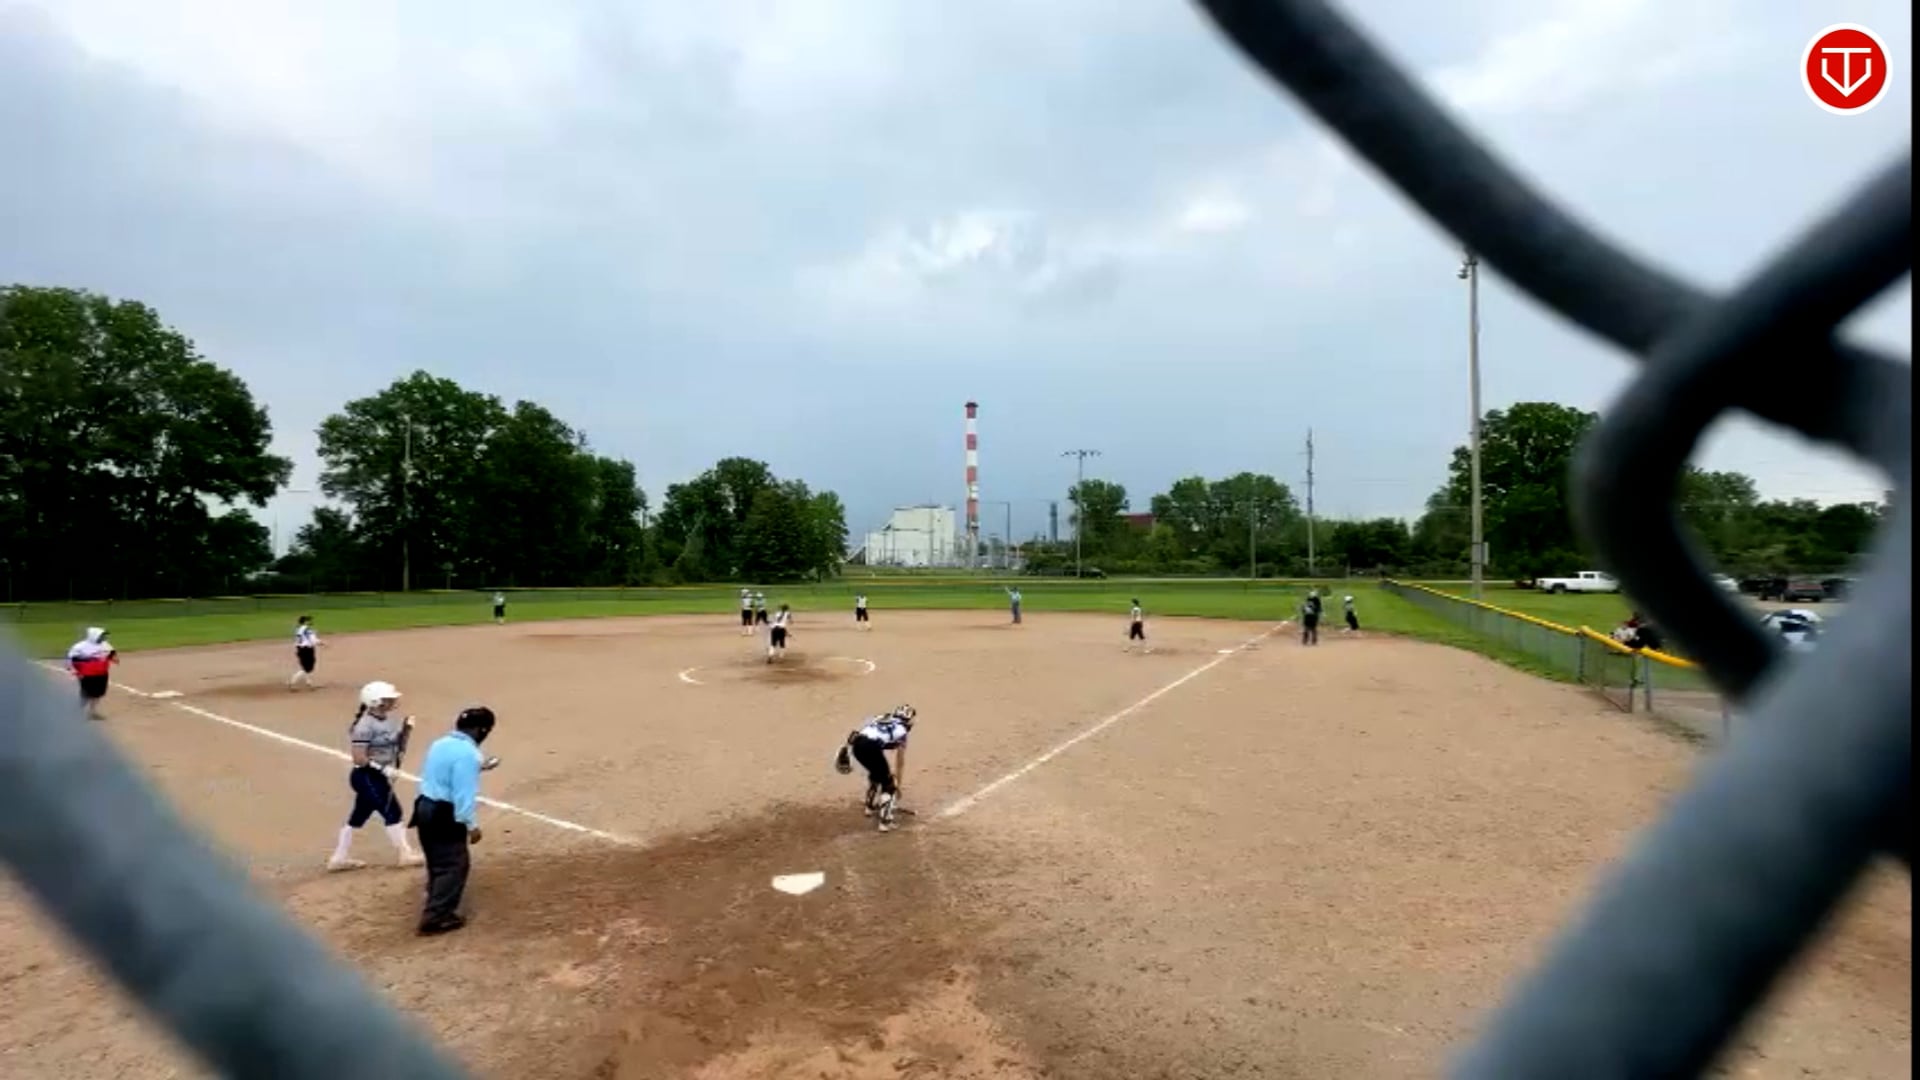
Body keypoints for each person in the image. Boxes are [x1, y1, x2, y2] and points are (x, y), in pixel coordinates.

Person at [410, 706, 497, 936]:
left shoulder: (440, 744)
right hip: (443, 813)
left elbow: (444, 771)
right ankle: (436, 917)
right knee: (454, 863)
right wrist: (471, 825)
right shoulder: (468, 754)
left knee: (436, 859)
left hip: (424, 807)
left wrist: (478, 766)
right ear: (481, 730)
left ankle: (433, 896)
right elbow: (463, 795)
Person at [328, 681, 423, 872]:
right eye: (388, 699)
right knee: (392, 811)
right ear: (376, 701)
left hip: (374, 776)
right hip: (367, 776)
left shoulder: (385, 720)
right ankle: (405, 854)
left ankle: (339, 857)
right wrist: (382, 769)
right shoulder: (364, 726)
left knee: (358, 816)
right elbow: (359, 757)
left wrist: (405, 730)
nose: (392, 701)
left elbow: (393, 742)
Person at [833, 705, 915, 833]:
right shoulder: (902, 731)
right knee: (889, 783)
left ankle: (870, 807)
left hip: (857, 745)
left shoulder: (882, 717)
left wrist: (846, 749)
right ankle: (885, 822)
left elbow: (855, 734)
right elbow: (900, 762)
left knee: (877, 772)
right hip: (872, 747)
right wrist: (897, 785)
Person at [65, 627, 118, 720]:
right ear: (94, 636)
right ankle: (77, 713)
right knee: (86, 694)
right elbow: (70, 660)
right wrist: (74, 672)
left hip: (102, 673)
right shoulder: (79, 647)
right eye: (101, 636)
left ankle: (92, 713)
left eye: (103, 636)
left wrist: (114, 658)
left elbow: (111, 654)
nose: (103, 637)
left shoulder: (105, 645)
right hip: (87, 675)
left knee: (98, 694)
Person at [289, 615, 323, 690]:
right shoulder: (308, 630)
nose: (311, 621)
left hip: (300, 649)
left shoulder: (298, 629)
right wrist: (322, 643)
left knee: (307, 667)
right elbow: (314, 640)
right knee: (307, 668)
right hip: (307, 650)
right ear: (305, 622)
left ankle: (309, 683)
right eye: (309, 620)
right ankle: (292, 682)